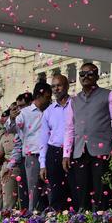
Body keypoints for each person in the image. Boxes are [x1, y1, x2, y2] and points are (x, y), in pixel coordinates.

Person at [62, 63, 112, 211]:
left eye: (90, 73)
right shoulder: (74, 101)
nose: (85, 77)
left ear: (96, 75)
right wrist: (66, 154)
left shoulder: (109, 95)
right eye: (82, 74)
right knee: (82, 192)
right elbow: (70, 128)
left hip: (102, 151)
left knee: (102, 191)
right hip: (79, 152)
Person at [38, 74, 74, 211]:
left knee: (73, 189)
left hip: (73, 151)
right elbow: (43, 138)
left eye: (59, 85)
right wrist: (42, 164)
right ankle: (58, 222)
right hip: (54, 152)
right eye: (53, 86)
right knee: (56, 191)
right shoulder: (48, 111)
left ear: (67, 86)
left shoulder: (76, 104)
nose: (56, 89)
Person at [15, 83, 50, 213]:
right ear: (38, 96)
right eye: (47, 97)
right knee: (33, 189)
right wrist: (12, 119)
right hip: (33, 155)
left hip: (48, 154)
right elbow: (12, 128)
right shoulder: (24, 112)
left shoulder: (50, 110)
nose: (49, 100)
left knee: (50, 188)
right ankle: (32, 216)